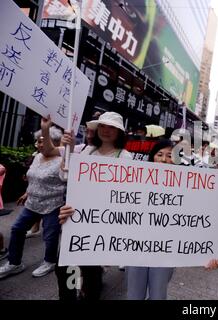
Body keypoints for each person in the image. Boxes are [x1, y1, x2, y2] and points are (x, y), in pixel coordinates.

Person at [125, 139, 218, 300]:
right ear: (152, 157)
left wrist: (205, 254)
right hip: (136, 248)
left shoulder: (186, 189)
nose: (163, 159)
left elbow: (196, 220)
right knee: (134, 294)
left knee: (158, 294)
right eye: (159, 154)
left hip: (165, 251)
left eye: (169, 155)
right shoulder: (134, 183)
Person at [57, 112, 132, 300]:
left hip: (102, 222)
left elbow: (127, 192)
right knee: (64, 268)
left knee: (91, 272)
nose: (106, 131)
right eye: (102, 126)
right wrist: (68, 153)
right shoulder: (87, 151)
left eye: (111, 127)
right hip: (75, 218)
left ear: (119, 132)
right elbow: (65, 177)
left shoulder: (125, 157)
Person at [0, 127, 65, 279]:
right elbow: (34, 177)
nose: (39, 145)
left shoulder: (62, 159)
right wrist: (27, 192)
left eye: (42, 141)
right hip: (32, 203)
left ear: (53, 142)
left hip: (52, 204)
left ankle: (49, 262)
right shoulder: (37, 157)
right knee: (17, 229)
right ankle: (14, 263)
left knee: (50, 236)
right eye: (38, 141)